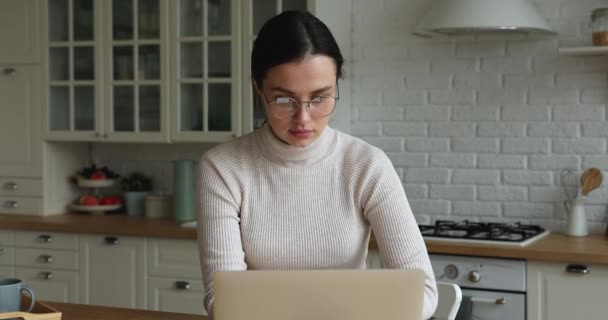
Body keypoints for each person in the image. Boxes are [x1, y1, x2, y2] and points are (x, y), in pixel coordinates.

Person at [196, 10, 438, 319]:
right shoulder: (222, 168)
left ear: (336, 85)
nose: (304, 118)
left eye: (321, 98)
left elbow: (424, 292)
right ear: (258, 86)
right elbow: (223, 299)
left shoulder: (367, 165)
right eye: (284, 100)